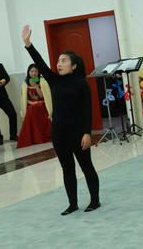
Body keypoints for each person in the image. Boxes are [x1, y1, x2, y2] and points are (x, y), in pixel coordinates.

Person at [22, 25, 100, 215]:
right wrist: (28, 44)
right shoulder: (54, 80)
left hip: (78, 133)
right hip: (59, 132)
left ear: (74, 66)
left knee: (86, 166)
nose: (59, 63)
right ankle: (72, 204)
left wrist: (87, 133)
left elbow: (86, 111)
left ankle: (95, 201)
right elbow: (40, 63)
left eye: (64, 61)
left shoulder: (81, 83)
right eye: (58, 61)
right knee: (67, 169)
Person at [17, 64, 52, 148]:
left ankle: (39, 137)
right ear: (28, 72)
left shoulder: (42, 81)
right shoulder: (25, 83)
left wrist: (36, 86)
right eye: (32, 71)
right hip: (31, 105)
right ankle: (32, 137)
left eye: (36, 71)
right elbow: (25, 98)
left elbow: (43, 96)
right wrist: (32, 103)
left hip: (42, 104)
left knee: (33, 109)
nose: (34, 73)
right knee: (31, 109)